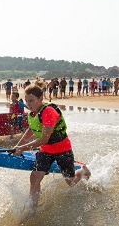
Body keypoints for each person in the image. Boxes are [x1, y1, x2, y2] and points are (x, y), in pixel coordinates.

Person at [13, 84, 91, 214]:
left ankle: (83, 170)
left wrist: (22, 148)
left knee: (70, 182)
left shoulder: (48, 111)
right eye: (26, 100)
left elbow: (44, 138)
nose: (28, 103)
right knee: (35, 177)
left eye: (31, 100)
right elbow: (31, 131)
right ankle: (32, 209)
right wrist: (17, 146)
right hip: (46, 151)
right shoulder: (33, 113)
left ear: (40, 98)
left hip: (62, 149)